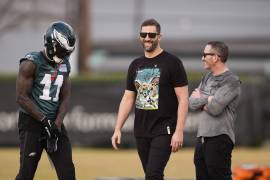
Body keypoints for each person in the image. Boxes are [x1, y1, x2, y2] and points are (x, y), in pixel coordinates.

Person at [111, 18, 189, 180]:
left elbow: (183, 99)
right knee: (151, 175)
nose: (147, 38)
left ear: (159, 37)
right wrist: (118, 128)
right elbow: (128, 98)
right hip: (141, 130)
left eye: (151, 34)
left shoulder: (173, 63)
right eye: (143, 34)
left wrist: (179, 131)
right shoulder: (135, 64)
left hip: (164, 129)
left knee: (153, 174)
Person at [15, 21, 76, 180]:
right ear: (52, 44)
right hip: (32, 123)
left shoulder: (64, 65)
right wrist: (44, 120)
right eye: (63, 51)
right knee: (26, 174)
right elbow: (21, 98)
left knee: (68, 173)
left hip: (54, 124)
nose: (65, 56)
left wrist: (56, 123)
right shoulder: (30, 63)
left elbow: (65, 97)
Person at [189, 41, 241, 180]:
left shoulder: (232, 81)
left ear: (216, 57)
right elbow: (192, 103)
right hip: (202, 138)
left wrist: (203, 98)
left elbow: (216, 108)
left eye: (205, 54)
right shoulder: (206, 77)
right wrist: (210, 98)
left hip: (220, 137)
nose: (202, 58)